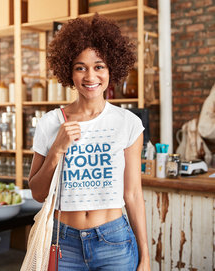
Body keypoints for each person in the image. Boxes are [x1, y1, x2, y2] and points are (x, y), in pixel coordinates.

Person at [28, 14, 150, 271]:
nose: (90, 76)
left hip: (114, 242)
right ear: (68, 71)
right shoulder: (50, 123)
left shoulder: (127, 123)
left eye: (99, 66)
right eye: (80, 67)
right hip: (63, 244)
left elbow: (133, 194)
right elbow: (37, 193)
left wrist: (145, 257)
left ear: (111, 69)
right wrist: (56, 149)